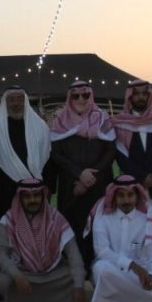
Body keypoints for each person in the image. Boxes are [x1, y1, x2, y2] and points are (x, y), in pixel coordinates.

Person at [0, 178, 86, 302]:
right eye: (27, 196)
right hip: (22, 272)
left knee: (71, 276)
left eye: (36, 195)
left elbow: (73, 253)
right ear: (20, 198)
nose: (32, 200)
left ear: (43, 196)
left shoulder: (56, 218)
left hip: (52, 273)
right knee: (5, 281)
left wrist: (79, 285)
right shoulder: (8, 220)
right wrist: (17, 275)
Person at [87, 175, 152, 302]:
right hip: (111, 269)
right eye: (121, 195)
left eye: (130, 195)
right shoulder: (103, 216)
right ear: (114, 197)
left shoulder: (146, 217)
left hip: (135, 274)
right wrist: (133, 266)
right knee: (102, 269)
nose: (126, 200)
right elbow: (102, 252)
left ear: (137, 196)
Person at [0, 86, 51, 278]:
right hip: (6, 191)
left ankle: (36, 271)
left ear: (25, 101)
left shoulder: (40, 127)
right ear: (5, 103)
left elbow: (48, 159)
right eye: (12, 100)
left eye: (19, 99)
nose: (16, 104)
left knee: (37, 232)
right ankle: (1, 274)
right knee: (3, 233)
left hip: (36, 191)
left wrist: (48, 186)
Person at [48, 80, 116, 262]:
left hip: (98, 185)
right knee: (71, 227)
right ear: (69, 98)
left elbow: (110, 152)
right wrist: (79, 174)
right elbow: (56, 154)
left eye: (85, 95)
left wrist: (90, 176)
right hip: (70, 186)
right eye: (76, 96)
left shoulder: (103, 119)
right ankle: (74, 268)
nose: (81, 99)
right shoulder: (60, 120)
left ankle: (98, 268)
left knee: (98, 227)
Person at [112, 79, 152, 275]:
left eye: (144, 94)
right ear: (130, 97)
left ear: (149, 96)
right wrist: (140, 176)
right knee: (134, 232)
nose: (140, 97)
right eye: (136, 94)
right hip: (131, 189)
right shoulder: (121, 123)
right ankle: (136, 275)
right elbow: (121, 156)